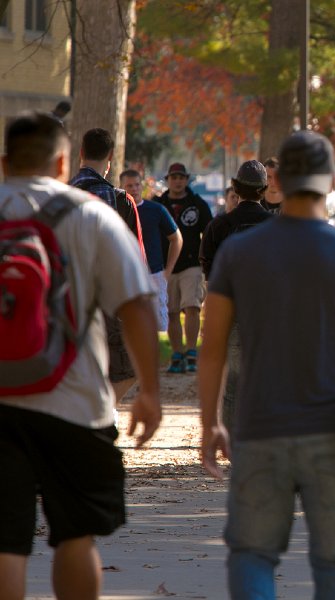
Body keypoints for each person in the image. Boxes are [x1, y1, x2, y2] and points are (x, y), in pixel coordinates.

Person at [199, 130, 335, 599]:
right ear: (332, 180)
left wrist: (210, 423)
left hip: (258, 427)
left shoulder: (237, 253)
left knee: (253, 555)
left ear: (278, 179)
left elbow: (211, 349)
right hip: (332, 429)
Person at [0, 112, 161, 600]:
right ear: (64, 160)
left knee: (5, 545)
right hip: (77, 404)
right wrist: (150, 391)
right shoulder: (91, 214)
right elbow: (135, 304)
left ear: (5, 162)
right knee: (75, 536)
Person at [70, 128, 145, 402]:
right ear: (111, 157)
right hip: (110, 299)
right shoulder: (122, 200)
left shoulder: (59, 197)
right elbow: (136, 258)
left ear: (80, 153)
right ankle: (101, 412)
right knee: (128, 368)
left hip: (68, 299)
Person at [199, 160, 274, 431]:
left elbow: (208, 267)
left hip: (230, 310)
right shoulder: (277, 225)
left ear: (235, 188)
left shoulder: (219, 226)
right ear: (264, 189)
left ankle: (231, 439)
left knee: (233, 381)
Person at [158, 162, 213, 374]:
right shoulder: (159, 204)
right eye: (174, 177)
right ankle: (177, 353)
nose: (178, 181)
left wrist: (206, 263)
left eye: (181, 177)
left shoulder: (198, 204)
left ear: (187, 179)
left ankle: (191, 352)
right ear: (168, 180)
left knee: (192, 307)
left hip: (192, 264)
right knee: (171, 312)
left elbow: (209, 234)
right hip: (166, 266)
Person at [120, 169, 183, 333]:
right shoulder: (118, 211)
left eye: (136, 184)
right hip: (128, 274)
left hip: (154, 273)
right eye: (129, 186)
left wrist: (167, 272)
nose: (134, 189)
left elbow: (176, 238)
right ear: (121, 187)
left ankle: (160, 359)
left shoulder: (156, 210)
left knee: (159, 325)